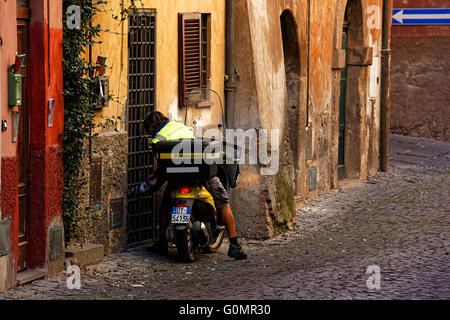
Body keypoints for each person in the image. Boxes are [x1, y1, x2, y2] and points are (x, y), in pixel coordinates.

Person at [143, 111, 247, 260]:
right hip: (202, 174)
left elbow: (163, 164)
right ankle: (234, 245)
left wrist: (153, 176)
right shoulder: (181, 127)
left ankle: (162, 243)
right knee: (223, 203)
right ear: (164, 119)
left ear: (150, 127)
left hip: (176, 177)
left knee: (165, 205)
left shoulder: (157, 140)